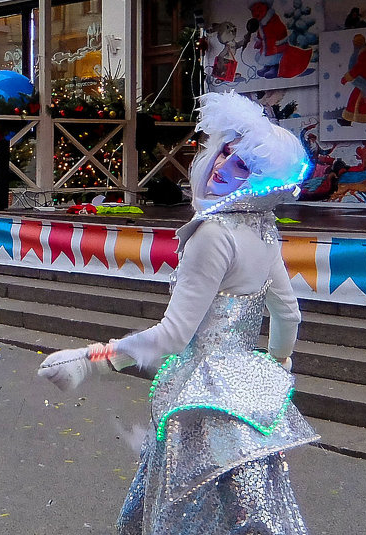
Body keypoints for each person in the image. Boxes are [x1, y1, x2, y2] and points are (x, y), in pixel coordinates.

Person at [38, 92, 317, 535]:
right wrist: (278, 361)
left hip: (202, 397)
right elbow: (288, 315)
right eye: (225, 153)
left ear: (265, 181)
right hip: (246, 393)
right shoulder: (264, 230)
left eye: (242, 165)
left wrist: (89, 360)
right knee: (252, 514)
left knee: (189, 511)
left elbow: (173, 336)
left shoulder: (215, 235)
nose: (224, 167)